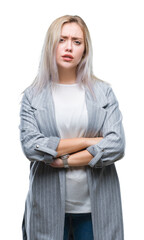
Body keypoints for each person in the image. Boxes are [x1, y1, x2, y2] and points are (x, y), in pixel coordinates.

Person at [19, 15, 125, 240]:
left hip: (96, 210)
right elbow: (31, 147)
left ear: (85, 50)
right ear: (51, 45)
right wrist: (89, 142)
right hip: (47, 209)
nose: (69, 47)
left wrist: (62, 160)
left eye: (77, 42)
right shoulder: (32, 96)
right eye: (62, 39)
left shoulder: (103, 92)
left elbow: (116, 145)